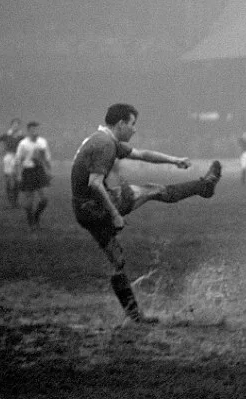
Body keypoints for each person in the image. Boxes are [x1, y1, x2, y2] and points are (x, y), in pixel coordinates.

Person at [71, 103, 222, 324]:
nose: (135, 129)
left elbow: (142, 155)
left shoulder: (101, 139)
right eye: (133, 124)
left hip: (82, 211)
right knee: (155, 189)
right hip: (97, 206)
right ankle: (203, 187)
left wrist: (174, 160)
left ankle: (134, 316)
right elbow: (95, 183)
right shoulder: (105, 144)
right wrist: (115, 214)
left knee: (117, 261)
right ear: (121, 123)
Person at [13, 121, 52, 230]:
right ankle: (31, 223)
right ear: (29, 130)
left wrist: (49, 170)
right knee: (29, 199)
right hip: (28, 171)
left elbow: (47, 158)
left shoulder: (42, 142)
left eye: (37, 129)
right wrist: (19, 174)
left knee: (44, 199)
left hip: (39, 171)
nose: (36, 131)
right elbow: (18, 160)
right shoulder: (23, 143)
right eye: (33, 129)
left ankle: (36, 216)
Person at [0, 118, 24, 207]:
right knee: (8, 179)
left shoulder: (21, 136)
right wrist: (1, 150)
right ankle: (10, 200)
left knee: (17, 180)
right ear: (11, 125)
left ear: (19, 126)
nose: (16, 126)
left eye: (17, 124)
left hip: (17, 158)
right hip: (8, 157)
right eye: (14, 124)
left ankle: (15, 201)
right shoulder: (7, 135)